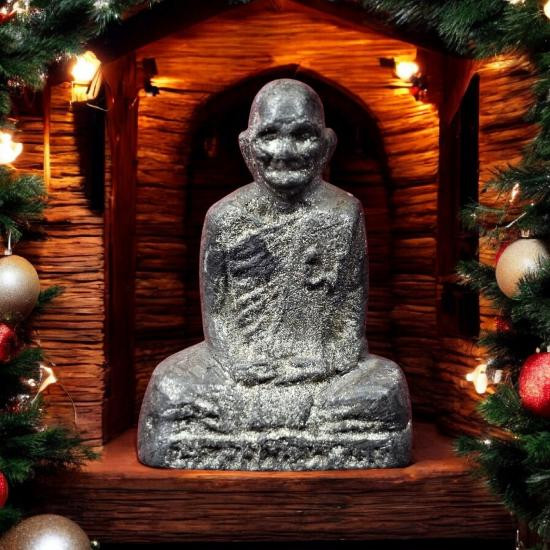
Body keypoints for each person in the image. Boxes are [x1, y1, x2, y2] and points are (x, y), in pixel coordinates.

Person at [138, 79, 411, 470]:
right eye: (269, 136)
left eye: (303, 135)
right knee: (170, 386)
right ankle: (296, 426)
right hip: (241, 368)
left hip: (321, 369)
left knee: (385, 385)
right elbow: (216, 316)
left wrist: (327, 361)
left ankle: (266, 425)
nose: (285, 152)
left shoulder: (343, 212)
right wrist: (240, 363)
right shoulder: (225, 216)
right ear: (246, 145)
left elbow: (351, 312)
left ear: (327, 145)